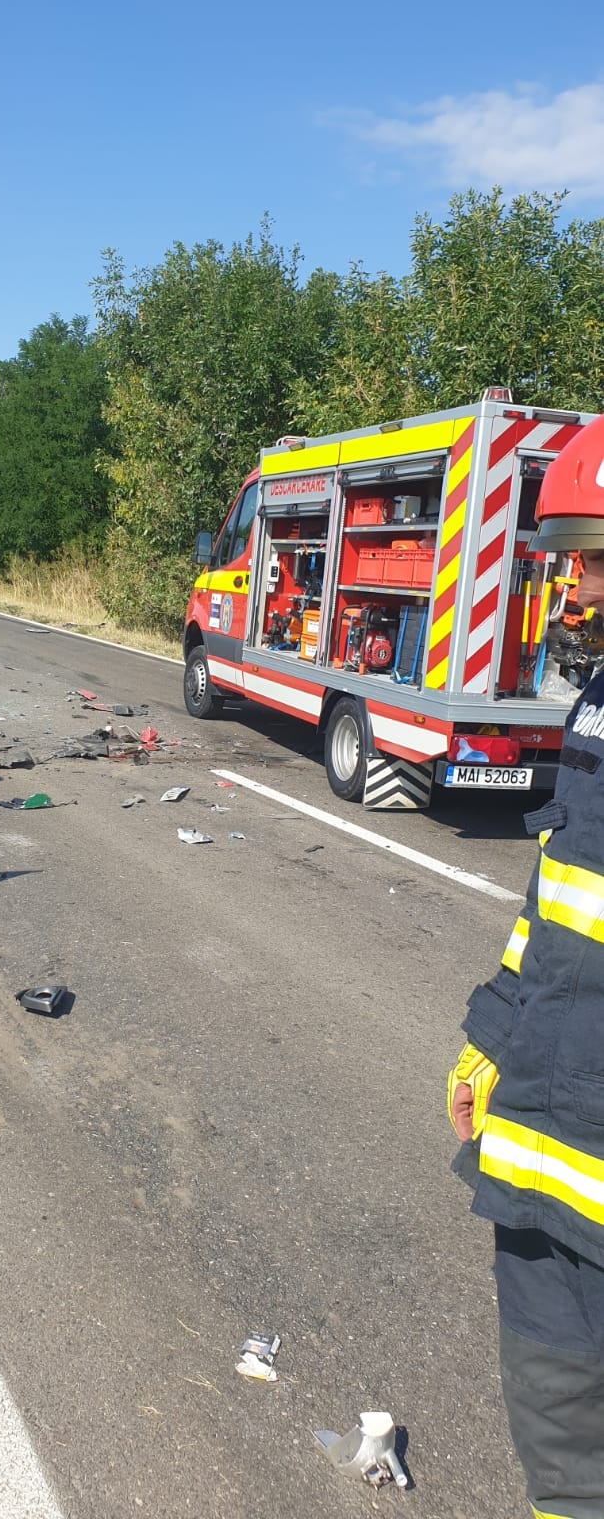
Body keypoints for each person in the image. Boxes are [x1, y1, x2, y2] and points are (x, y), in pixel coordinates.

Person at [449, 411, 604, 1519]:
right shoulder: (599, 702)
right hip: (552, 1144)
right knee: (556, 1414)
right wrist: (494, 1034)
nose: (578, 589)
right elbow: (562, 904)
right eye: (576, 558)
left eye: (600, 559)